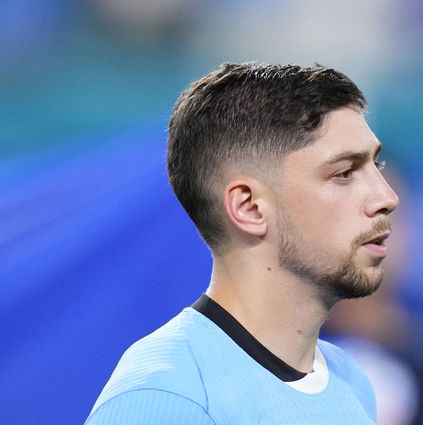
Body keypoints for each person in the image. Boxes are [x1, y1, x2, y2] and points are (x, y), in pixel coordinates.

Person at [85, 62, 399, 424]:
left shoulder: (351, 381)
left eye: (378, 164)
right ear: (248, 207)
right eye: (344, 173)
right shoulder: (167, 396)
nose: (386, 196)